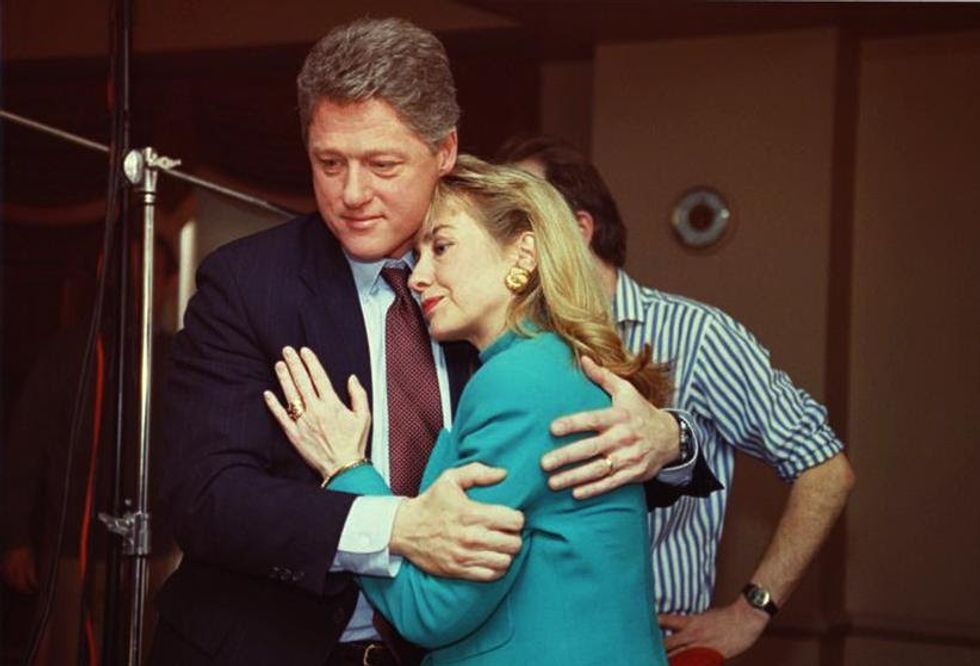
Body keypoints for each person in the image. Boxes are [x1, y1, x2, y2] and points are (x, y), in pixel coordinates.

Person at [150, 18, 713, 666]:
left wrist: (672, 440)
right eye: (328, 163)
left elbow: (574, 477)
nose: (351, 194)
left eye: (382, 164)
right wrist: (395, 526)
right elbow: (202, 497)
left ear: (444, 150)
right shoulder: (248, 284)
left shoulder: (490, 292)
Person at [265, 154, 671, 665]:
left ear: (522, 253)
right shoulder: (552, 363)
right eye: (418, 254)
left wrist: (347, 469)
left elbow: (431, 612)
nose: (418, 277)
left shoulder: (518, 381)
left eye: (441, 247)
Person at [497, 134, 856, 659]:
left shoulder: (699, 335)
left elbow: (825, 470)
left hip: (658, 648)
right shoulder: (512, 348)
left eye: (522, 219)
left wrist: (752, 611)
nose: (507, 240)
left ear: (578, 229)